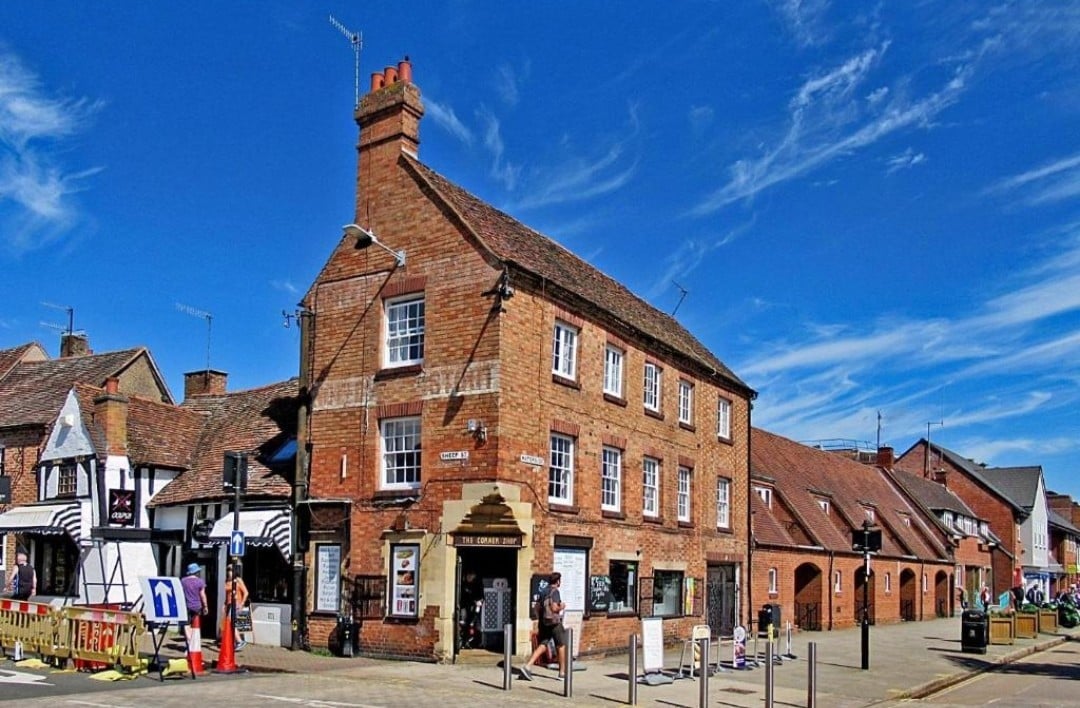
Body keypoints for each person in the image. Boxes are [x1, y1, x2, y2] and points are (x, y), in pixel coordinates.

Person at [520, 572, 566, 681]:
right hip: (554, 623)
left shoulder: (543, 591)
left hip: (544, 623)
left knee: (543, 644)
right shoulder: (555, 592)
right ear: (558, 581)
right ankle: (562, 673)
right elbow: (555, 608)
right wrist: (562, 607)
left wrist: (540, 619)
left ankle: (527, 666)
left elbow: (536, 607)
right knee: (561, 645)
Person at [180, 562, 208, 644]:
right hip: (197, 606)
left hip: (186, 606)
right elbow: (203, 595)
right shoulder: (200, 582)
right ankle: (193, 642)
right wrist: (205, 606)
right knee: (194, 625)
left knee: (186, 624)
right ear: (197, 572)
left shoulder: (183, 581)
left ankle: (189, 640)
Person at [223, 565, 250, 650]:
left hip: (236, 604)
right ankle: (232, 642)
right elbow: (227, 594)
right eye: (228, 569)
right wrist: (224, 604)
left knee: (231, 622)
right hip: (228, 604)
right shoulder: (227, 581)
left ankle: (239, 641)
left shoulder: (238, 580)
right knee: (227, 622)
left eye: (231, 570)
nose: (229, 572)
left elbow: (246, 592)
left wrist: (242, 603)